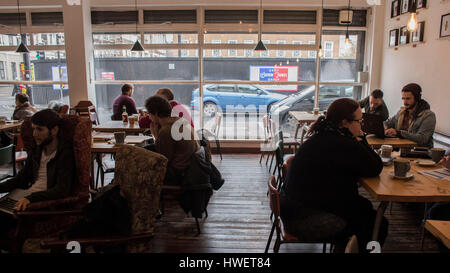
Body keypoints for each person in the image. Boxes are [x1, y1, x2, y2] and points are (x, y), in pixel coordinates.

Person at [280, 98, 388, 253]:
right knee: (378, 223)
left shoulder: (322, 135)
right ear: (344, 122)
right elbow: (375, 167)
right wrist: (362, 138)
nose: (361, 124)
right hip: (304, 220)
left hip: (294, 211)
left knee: (365, 210)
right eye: (359, 121)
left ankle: (345, 247)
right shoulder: (343, 143)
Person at [0, 109, 76, 241]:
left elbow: (61, 190)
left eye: (39, 129)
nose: (34, 134)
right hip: (26, 197)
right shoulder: (36, 151)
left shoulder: (65, 154)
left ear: (54, 130)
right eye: (33, 129)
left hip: (44, 203)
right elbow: (21, 179)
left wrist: (31, 198)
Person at [144, 96, 199, 185]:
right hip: (193, 169)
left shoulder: (166, 130)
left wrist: (156, 136)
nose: (149, 117)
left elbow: (163, 159)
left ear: (156, 114)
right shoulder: (181, 121)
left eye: (149, 114)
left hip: (179, 174)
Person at [384, 83, 436, 148]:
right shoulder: (402, 112)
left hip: (420, 153)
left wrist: (399, 133)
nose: (404, 102)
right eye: (403, 98)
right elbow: (387, 123)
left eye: (408, 99)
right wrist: (384, 127)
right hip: (401, 150)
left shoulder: (429, 115)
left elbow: (422, 139)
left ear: (417, 98)